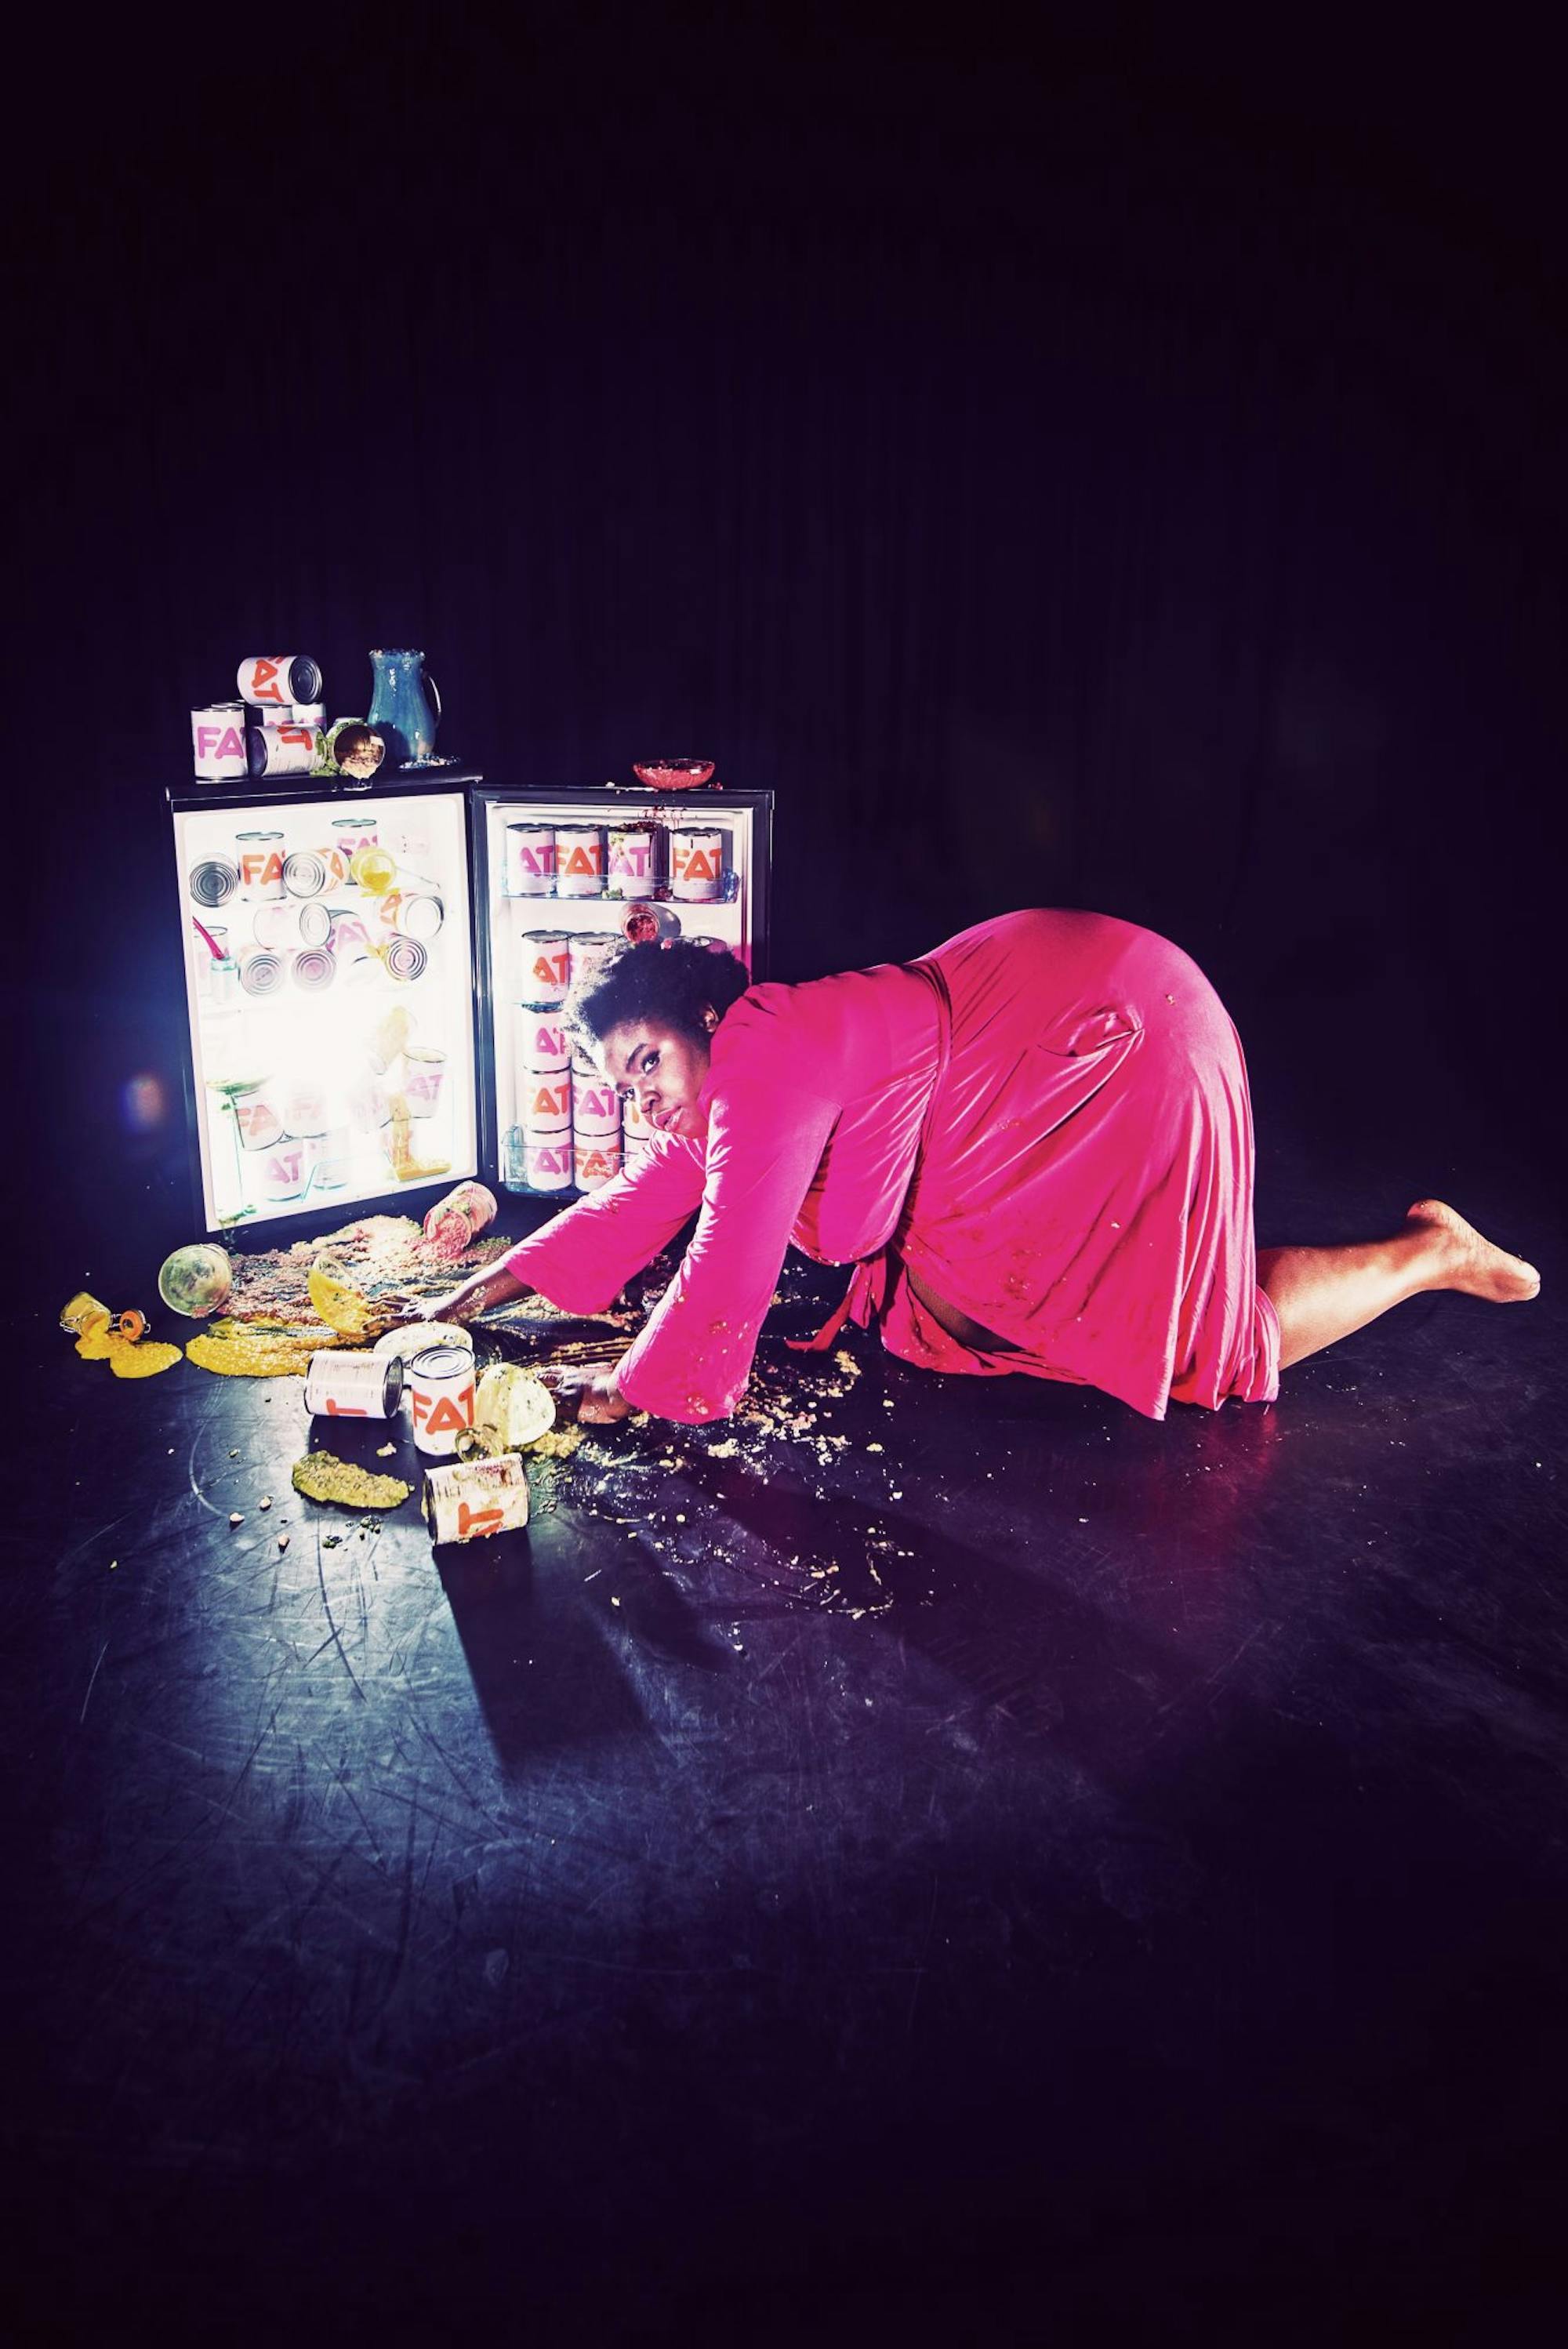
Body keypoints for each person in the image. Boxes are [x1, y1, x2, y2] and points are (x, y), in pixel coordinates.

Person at [423, 913, 1539, 1427]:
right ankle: (1400, 1252)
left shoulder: (765, 1042)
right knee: (1071, 1305)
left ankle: (1428, 1252)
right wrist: (481, 1295)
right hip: (1028, 1052)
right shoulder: (731, 1081)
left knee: (1197, 1344)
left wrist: (633, 1391)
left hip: (1096, 1046)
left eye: (647, 1062)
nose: (643, 1096)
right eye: (625, 1087)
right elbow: (645, 1199)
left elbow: (731, 1260)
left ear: (705, 1017)